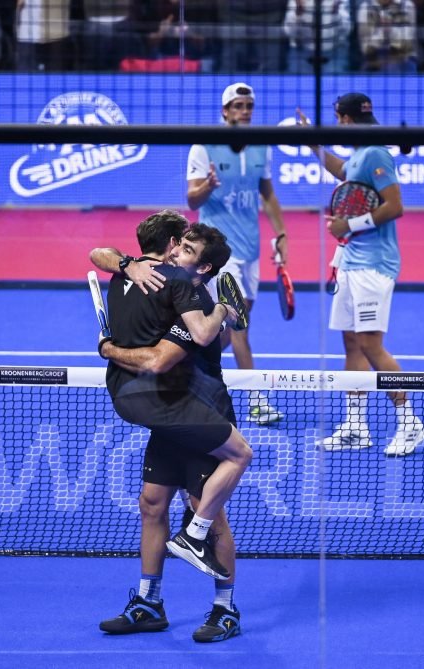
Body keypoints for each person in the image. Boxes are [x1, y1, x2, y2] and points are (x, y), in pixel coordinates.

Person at [92, 221, 244, 643]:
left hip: (202, 410)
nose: (176, 252)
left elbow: (161, 358)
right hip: (171, 411)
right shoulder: (176, 292)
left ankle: (225, 609)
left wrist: (107, 349)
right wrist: (127, 264)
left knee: (207, 513)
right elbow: (100, 254)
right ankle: (148, 602)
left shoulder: (193, 301)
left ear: (204, 268)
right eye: (180, 246)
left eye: (188, 250)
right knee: (152, 503)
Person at [297, 93, 424, 457]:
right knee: (352, 343)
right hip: (352, 261)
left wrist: (348, 223)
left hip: (374, 266)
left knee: (371, 344)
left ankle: (410, 423)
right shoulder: (360, 153)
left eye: (338, 120)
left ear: (346, 119)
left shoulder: (374, 153)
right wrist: (314, 145)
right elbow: (341, 171)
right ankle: (356, 425)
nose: (338, 125)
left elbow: (396, 206)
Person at [186, 82, 288, 426]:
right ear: (225, 111)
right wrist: (208, 187)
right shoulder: (204, 147)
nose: (245, 111)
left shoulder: (262, 147)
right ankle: (257, 400)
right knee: (240, 326)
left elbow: (268, 194)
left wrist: (282, 232)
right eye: (238, 106)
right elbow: (191, 201)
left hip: (252, 248)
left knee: (228, 331)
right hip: (220, 250)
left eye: (249, 106)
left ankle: (188, 372)